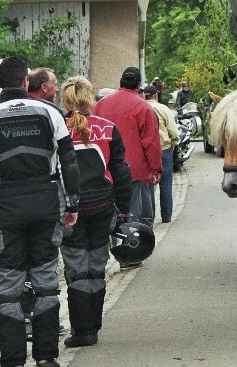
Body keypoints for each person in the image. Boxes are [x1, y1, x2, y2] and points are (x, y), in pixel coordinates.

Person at [0, 56, 81, 367]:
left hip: (4, 209)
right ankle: (46, 358)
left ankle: (13, 360)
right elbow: (69, 162)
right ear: (26, 82)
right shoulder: (50, 113)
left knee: (9, 287)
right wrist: (72, 204)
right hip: (46, 205)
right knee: (46, 283)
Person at [59, 76, 132, 349]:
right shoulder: (108, 128)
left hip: (71, 208)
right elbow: (121, 171)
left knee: (77, 268)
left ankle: (82, 330)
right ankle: (94, 325)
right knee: (97, 266)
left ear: (65, 99)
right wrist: (123, 210)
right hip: (102, 205)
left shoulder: (57, 129)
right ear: (90, 98)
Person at [94, 67, 162, 234]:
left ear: (121, 82)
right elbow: (151, 142)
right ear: (138, 85)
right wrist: (156, 168)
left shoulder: (101, 104)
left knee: (110, 212)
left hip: (105, 167)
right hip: (133, 169)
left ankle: (114, 242)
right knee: (133, 214)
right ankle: (132, 246)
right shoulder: (143, 107)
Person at [143, 85, 179, 223]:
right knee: (166, 184)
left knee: (149, 185)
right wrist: (175, 142)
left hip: (147, 150)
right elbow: (173, 130)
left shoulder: (142, 108)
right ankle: (166, 216)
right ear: (156, 96)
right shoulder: (163, 108)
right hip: (164, 148)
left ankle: (150, 217)